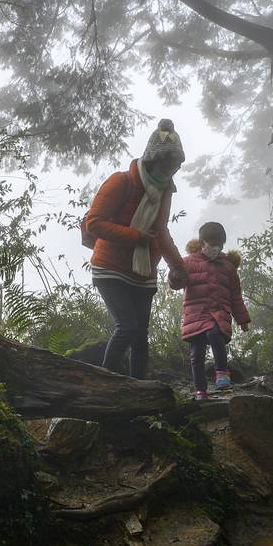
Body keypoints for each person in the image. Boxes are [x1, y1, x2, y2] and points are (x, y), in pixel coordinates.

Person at [85, 148, 187, 379]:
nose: (172, 172)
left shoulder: (163, 192)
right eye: (169, 167)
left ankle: (138, 388)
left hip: (143, 273)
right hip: (110, 267)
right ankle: (103, 381)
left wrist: (178, 266)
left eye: (176, 168)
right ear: (154, 161)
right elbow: (95, 223)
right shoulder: (121, 181)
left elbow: (160, 232)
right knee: (127, 327)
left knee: (141, 335)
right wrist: (135, 236)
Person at [171, 222, 250, 399]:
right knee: (195, 354)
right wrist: (175, 275)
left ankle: (222, 372)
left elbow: (236, 296)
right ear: (202, 242)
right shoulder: (188, 262)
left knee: (214, 333)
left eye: (219, 245)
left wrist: (242, 319)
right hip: (195, 314)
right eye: (212, 244)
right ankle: (201, 390)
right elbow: (176, 284)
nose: (215, 248)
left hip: (218, 313)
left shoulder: (228, 267)